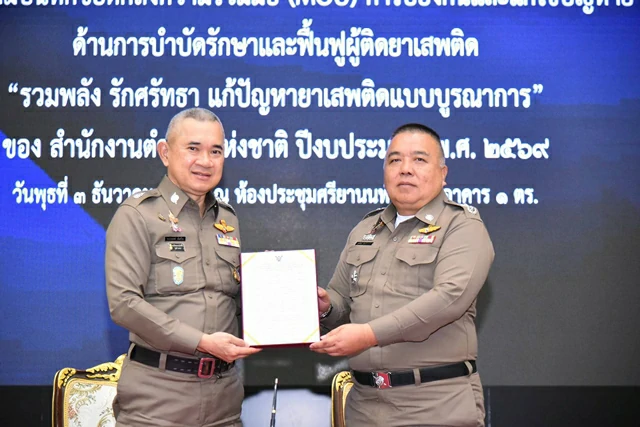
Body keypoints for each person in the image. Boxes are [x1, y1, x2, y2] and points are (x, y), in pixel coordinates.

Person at [310, 123, 494, 427]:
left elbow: (449, 299)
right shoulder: (365, 229)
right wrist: (326, 307)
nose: (405, 169)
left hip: (434, 405)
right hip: (364, 407)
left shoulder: (462, 226)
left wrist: (368, 335)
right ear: (384, 171)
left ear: (443, 173)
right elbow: (342, 303)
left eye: (419, 159)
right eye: (395, 160)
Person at [106, 108, 260, 427]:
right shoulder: (137, 215)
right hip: (158, 401)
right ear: (165, 152)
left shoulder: (227, 219)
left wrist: (281, 295)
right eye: (193, 148)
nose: (205, 161)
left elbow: (232, 302)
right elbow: (124, 305)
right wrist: (202, 342)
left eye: (215, 151)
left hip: (224, 401)